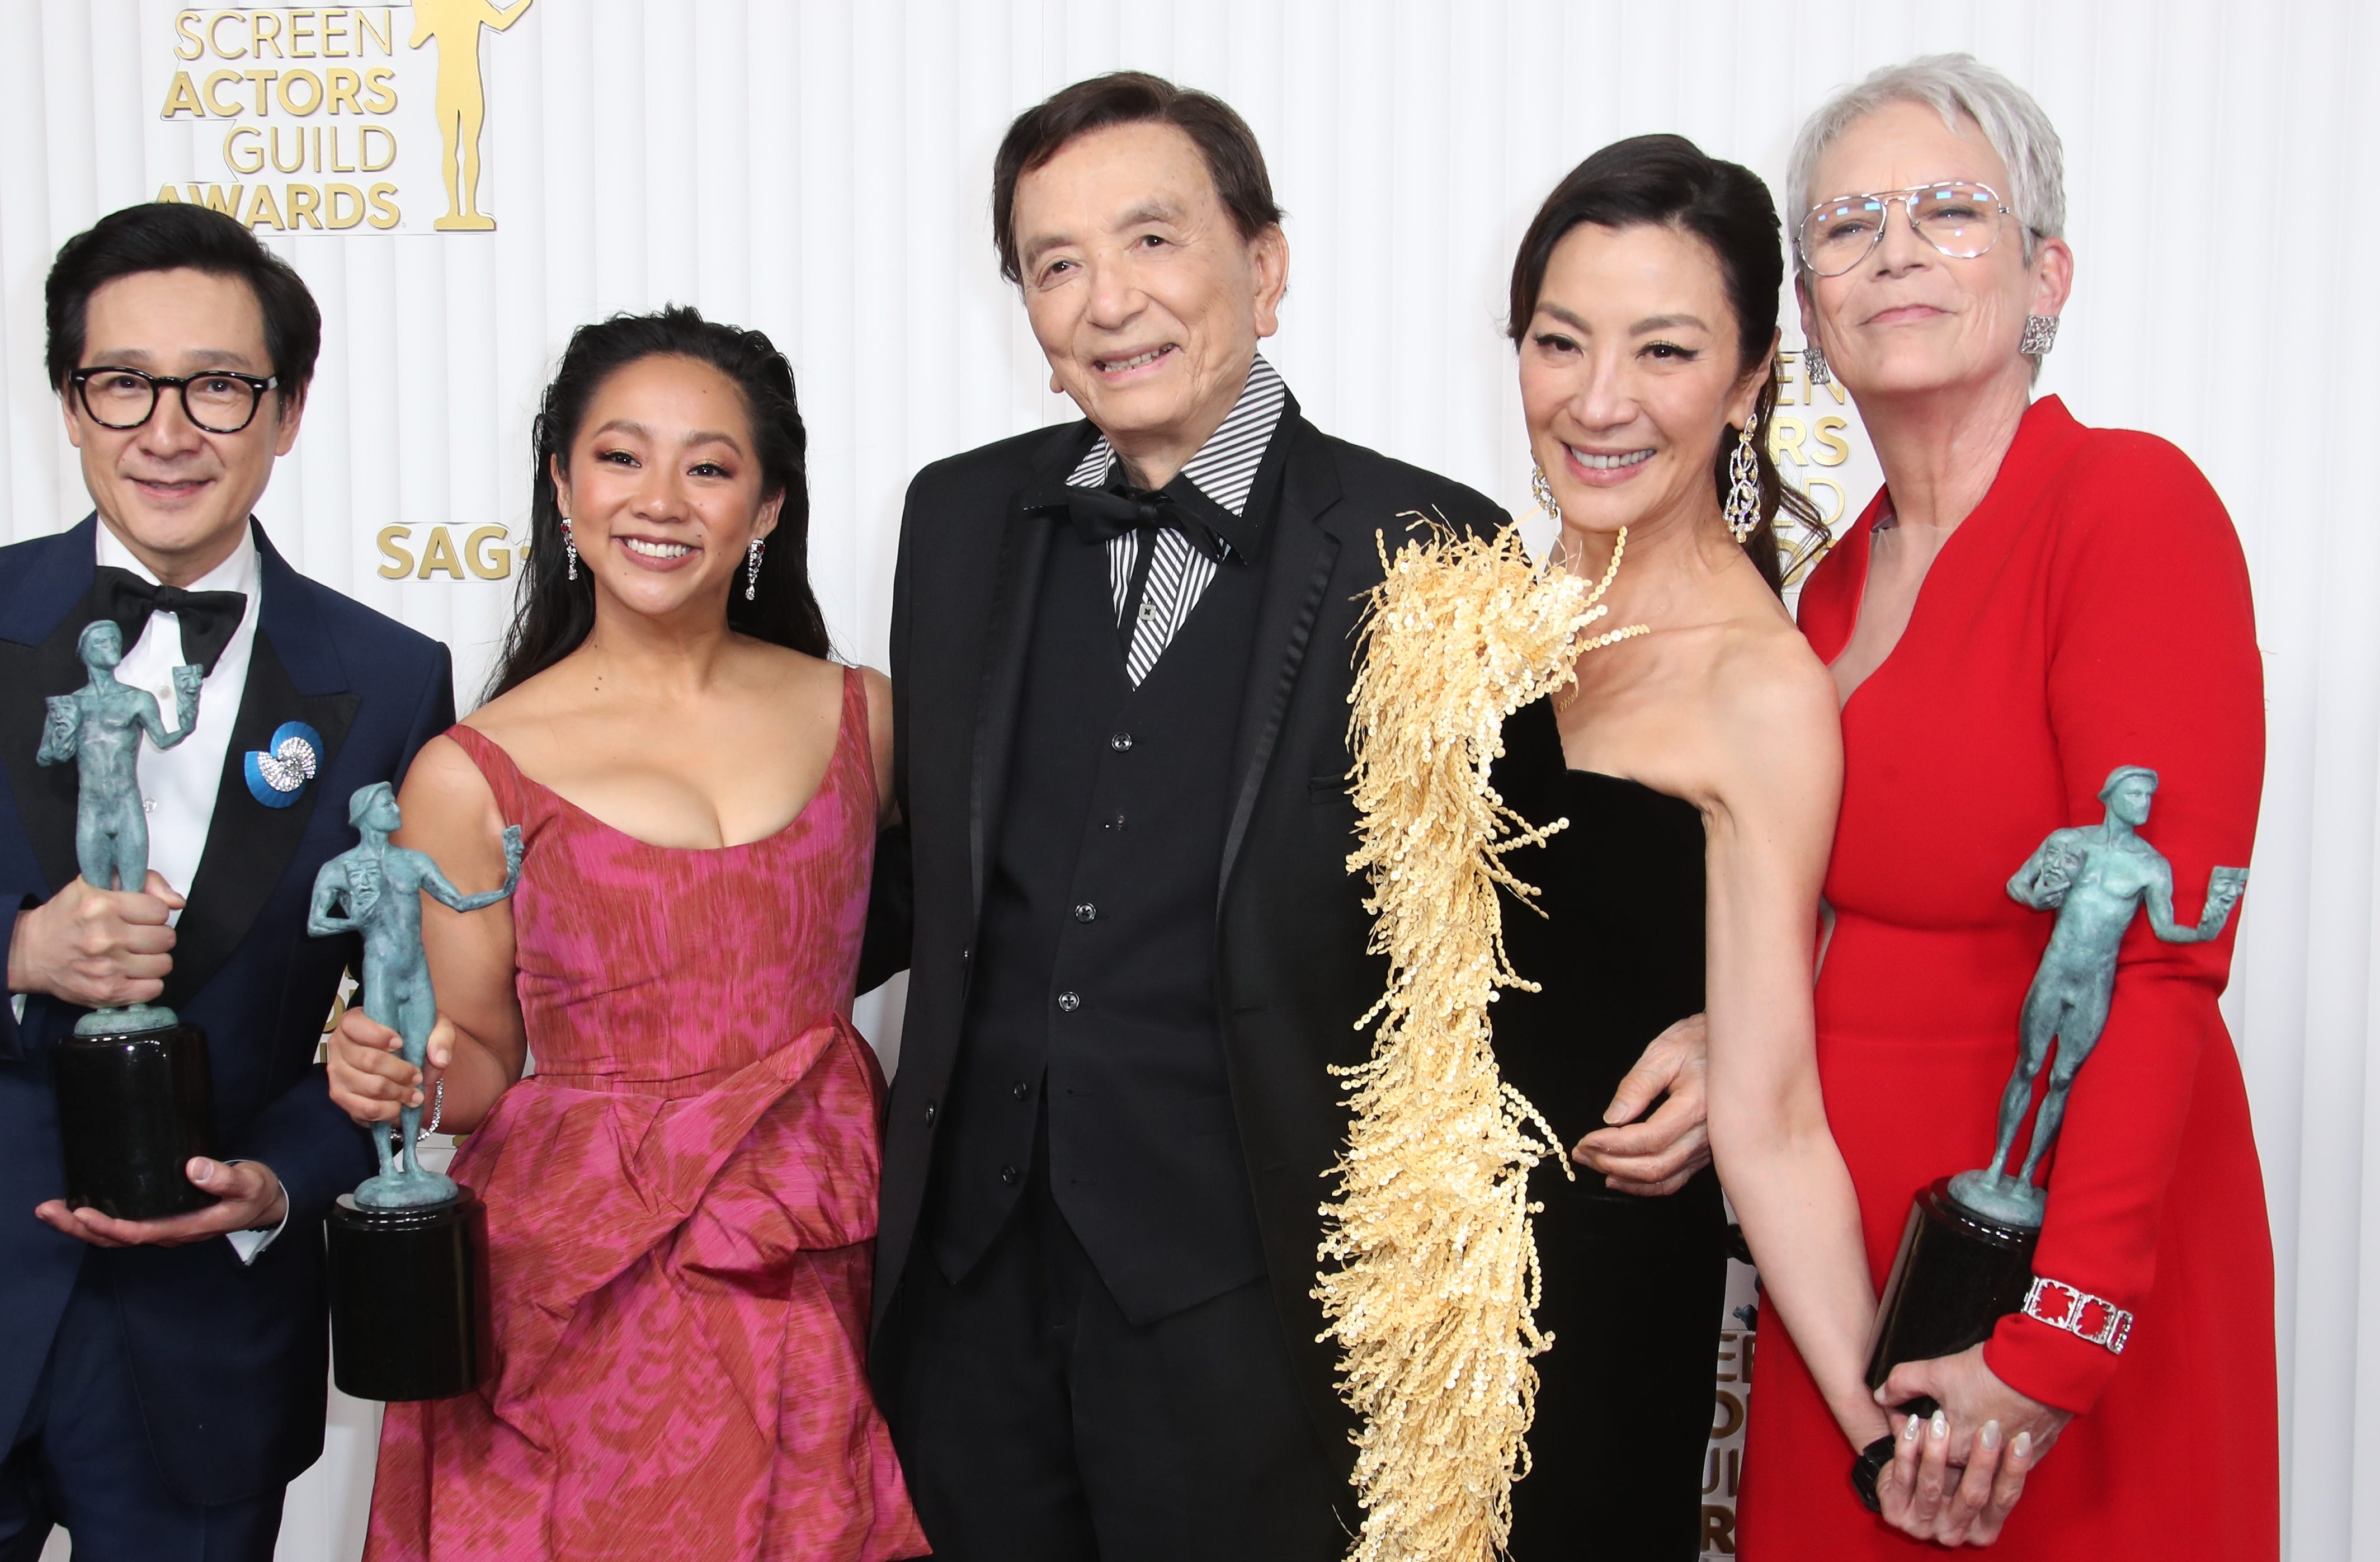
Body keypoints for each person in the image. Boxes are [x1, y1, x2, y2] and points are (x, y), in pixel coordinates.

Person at [861, 73, 1715, 1560]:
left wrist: (1729, 1028)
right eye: (1055, 264)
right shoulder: (952, 518)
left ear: (1263, 266)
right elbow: (916, 871)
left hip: (1256, 1310)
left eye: (1151, 241)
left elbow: (1525, 922)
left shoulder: (1428, 545)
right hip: (967, 1309)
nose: (1107, 300)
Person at [0, 200, 454, 1560]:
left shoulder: (395, 677)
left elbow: (412, 1024)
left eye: (218, 386)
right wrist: (12, 951)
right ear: (69, 402)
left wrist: (280, 1178)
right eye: (123, 383)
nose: (167, 431)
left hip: (209, 1355)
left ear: (288, 411)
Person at [1735, 54, 2274, 1556]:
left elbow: (2158, 955)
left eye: (1949, 211)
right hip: (1844, 1278)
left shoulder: (2127, 509)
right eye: (1846, 225)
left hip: (2062, 1264)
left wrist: (2054, 1345)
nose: (1894, 250)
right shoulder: (1819, 594)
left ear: (2046, 276)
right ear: (1808, 303)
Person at [325, 307, 927, 1560]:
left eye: (709, 466)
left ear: (767, 507)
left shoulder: (867, 717)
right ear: (562, 485)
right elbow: (481, 1061)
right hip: (581, 1285)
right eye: (619, 456)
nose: (660, 500)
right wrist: (402, 1074)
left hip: (818, 1251)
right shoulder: (467, 771)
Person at [1434, 133, 1889, 1555]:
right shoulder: (1466, 613)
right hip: (1388, 1285)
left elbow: (1773, 1117)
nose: (1598, 400)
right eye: (1560, 341)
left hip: (1586, 1320)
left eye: (1665, 351)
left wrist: (1882, 1431)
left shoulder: (1759, 688)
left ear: (1752, 376)